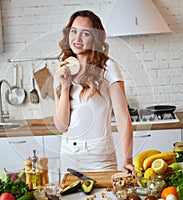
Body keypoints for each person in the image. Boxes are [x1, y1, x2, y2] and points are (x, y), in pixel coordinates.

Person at [53, 10, 133, 174]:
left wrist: (127, 160)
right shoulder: (62, 70)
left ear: (95, 38)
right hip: (68, 153)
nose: (77, 38)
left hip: (99, 156)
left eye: (86, 33)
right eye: (74, 31)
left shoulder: (107, 68)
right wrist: (65, 85)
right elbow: (61, 126)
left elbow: (123, 117)